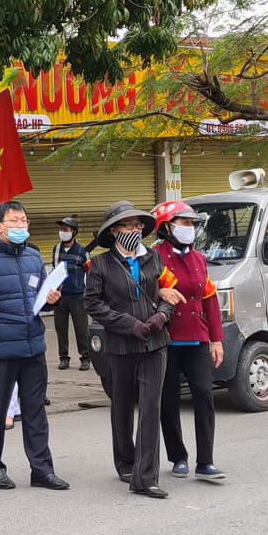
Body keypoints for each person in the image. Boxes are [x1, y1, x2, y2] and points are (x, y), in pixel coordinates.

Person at [0, 200, 68, 492]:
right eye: (15, 222)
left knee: (35, 411)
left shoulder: (33, 257)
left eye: (24, 221)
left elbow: (39, 301)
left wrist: (51, 299)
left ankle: (42, 470)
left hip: (33, 346)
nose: (21, 227)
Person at [82, 201, 179, 499]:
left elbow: (168, 293)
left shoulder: (152, 258)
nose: (135, 230)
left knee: (150, 407)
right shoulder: (99, 264)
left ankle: (145, 477)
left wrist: (162, 315)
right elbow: (93, 304)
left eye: (138, 225)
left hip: (155, 343)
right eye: (128, 225)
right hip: (121, 344)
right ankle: (125, 462)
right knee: (122, 405)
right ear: (114, 231)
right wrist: (127, 324)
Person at [151, 202, 227, 483]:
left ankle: (205, 461)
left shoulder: (198, 258)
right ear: (166, 227)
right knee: (168, 401)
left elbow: (209, 299)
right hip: (167, 339)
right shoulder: (153, 257)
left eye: (191, 224)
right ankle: (178, 457)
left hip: (197, 338)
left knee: (204, 395)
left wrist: (216, 339)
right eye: (182, 223)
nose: (189, 229)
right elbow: (141, 289)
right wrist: (159, 288)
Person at [51, 216, 92, 371]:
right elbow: (54, 270)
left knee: (81, 329)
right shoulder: (56, 249)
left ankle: (85, 357)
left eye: (66, 229)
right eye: (61, 229)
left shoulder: (82, 252)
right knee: (60, 328)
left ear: (73, 232)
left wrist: (89, 293)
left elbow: (91, 273)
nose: (63, 232)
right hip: (60, 296)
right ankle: (64, 358)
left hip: (78, 296)